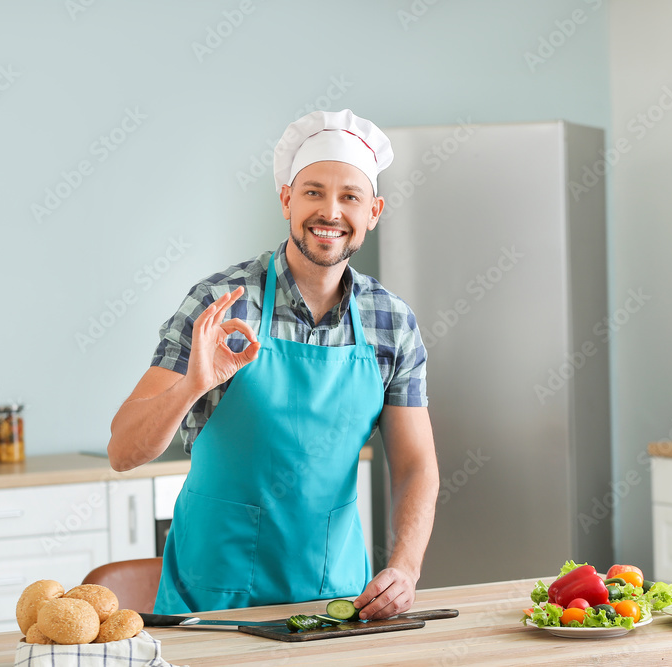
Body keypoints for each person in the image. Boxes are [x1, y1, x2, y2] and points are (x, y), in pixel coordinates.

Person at [107, 109, 439, 620]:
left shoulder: (390, 322)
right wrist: (194, 384)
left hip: (333, 605)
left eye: (349, 196)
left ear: (373, 211)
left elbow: (416, 466)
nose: (330, 211)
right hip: (211, 609)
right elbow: (123, 450)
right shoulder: (219, 304)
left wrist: (406, 568)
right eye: (313, 192)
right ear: (286, 198)